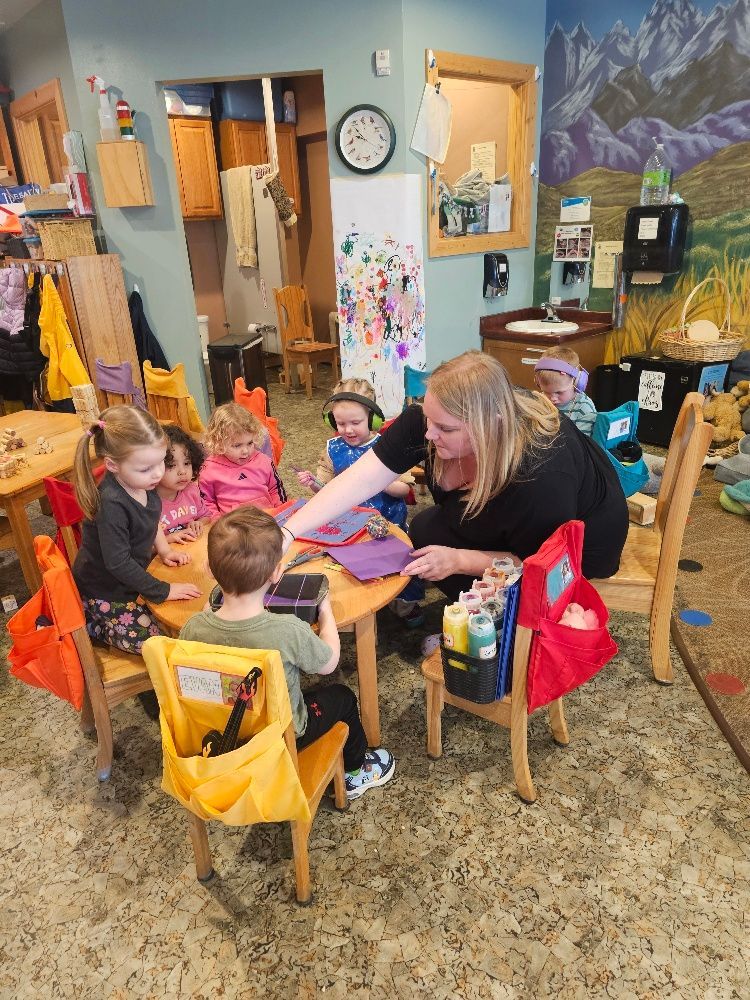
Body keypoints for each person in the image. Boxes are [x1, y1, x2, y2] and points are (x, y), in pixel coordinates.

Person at [277, 351, 628, 604]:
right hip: (513, 507)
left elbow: (538, 560)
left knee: (443, 544)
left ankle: (492, 626)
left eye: (444, 428)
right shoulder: (435, 418)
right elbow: (361, 478)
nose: (428, 434)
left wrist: (460, 561)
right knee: (427, 529)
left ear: (490, 427)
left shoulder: (541, 476)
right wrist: (289, 530)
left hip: (577, 543)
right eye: (428, 419)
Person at [179, 506, 395, 800]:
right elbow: (329, 663)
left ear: (208, 570)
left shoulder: (193, 628)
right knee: (343, 697)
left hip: (227, 731)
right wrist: (326, 611)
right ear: (277, 572)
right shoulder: (286, 630)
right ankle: (356, 771)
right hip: (285, 733)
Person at [72, 405, 201, 655]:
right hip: (107, 594)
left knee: (183, 624)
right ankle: (95, 626)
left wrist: (164, 550)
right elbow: (118, 564)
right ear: (112, 465)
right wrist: (163, 590)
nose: (156, 475)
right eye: (145, 468)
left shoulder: (141, 483)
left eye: (160, 464)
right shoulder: (111, 503)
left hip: (132, 581)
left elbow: (151, 522)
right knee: (161, 646)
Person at [295, 378, 412, 530]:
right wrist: (313, 482)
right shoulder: (332, 449)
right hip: (348, 524)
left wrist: (381, 482)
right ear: (332, 420)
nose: (348, 430)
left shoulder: (389, 447)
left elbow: (405, 490)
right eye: (341, 424)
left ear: (372, 420)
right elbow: (326, 490)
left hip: (388, 523)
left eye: (355, 423)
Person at [199, 402, 285, 517]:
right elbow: (206, 502)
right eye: (237, 445)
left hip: (267, 521)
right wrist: (218, 522)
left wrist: (281, 512)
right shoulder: (209, 470)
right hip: (233, 527)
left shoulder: (264, 461)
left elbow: (276, 489)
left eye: (250, 443)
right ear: (218, 442)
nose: (245, 451)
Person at [156, 424, 211, 543]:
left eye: (186, 463)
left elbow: (206, 516)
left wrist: (198, 523)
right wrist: (167, 540)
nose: (182, 471)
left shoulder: (191, 490)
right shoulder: (145, 503)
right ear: (153, 466)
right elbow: (141, 549)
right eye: (171, 465)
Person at [533, 346, 597, 436]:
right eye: (546, 392)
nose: (553, 398)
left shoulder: (584, 408)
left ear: (577, 382)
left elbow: (581, 444)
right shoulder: (540, 400)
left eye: (559, 392)